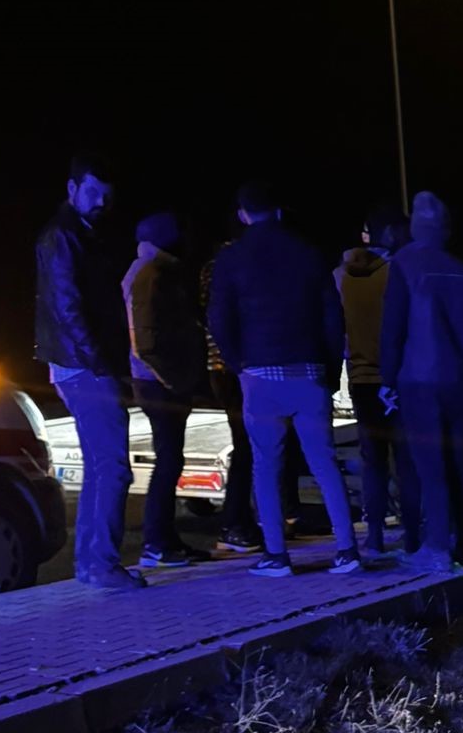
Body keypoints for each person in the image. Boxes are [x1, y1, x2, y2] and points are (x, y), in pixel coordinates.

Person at [206, 182, 360, 578]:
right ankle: (347, 548)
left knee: (265, 465)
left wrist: (239, 363)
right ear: (279, 210)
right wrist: (327, 368)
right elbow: (332, 316)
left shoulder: (232, 258)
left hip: (259, 375)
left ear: (242, 213)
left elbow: (219, 319)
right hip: (308, 372)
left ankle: (276, 554)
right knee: (324, 462)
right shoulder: (308, 255)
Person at [33, 153, 143, 590]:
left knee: (103, 466)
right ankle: (101, 565)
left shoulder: (79, 233)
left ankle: (91, 565)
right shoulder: (64, 236)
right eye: (92, 192)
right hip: (85, 366)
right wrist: (101, 363)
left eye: (107, 194)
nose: (101, 201)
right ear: (72, 189)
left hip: (81, 364)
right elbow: (68, 306)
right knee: (113, 467)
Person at [380, 190, 463, 569]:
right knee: (458, 463)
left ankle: (437, 547)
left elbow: (394, 327)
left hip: (418, 379)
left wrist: (388, 378)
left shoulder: (404, 264)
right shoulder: (460, 270)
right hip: (458, 380)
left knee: (429, 464)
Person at [123, 212, 208, 568]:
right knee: (168, 460)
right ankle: (157, 543)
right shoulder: (149, 274)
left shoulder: (154, 270)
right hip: (157, 382)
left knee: (171, 459)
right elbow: (146, 341)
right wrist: (173, 379)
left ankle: (165, 539)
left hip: (159, 380)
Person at [336, 203, 419, 557]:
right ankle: (413, 533)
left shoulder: (340, 276)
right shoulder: (396, 273)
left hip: (360, 378)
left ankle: (374, 534)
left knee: (373, 459)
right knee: (405, 458)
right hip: (395, 377)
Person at [200, 244, 262, 554]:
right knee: (246, 446)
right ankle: (234, 525)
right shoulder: (227, 270)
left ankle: (239, 522)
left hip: (223, 369)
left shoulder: (212, 269)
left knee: (247, 446)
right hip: (231, 370)